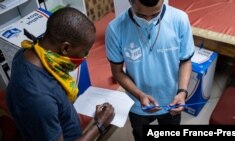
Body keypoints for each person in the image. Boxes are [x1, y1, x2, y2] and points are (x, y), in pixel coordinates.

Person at [7, 7, 115, 141]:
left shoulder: (27, 52)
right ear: (65, 48)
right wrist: (100, 124)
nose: (85, 57)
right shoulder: (39, 99)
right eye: (85, 52)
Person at [105, 0, 195, 140]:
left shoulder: (180, 19)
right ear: (130, 2)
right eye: (140, 14)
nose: (148, 20)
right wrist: (140, 95)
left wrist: (182, 91)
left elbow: (185, 61)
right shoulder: (115, 28)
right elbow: (117, 72)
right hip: (138, 104)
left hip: (172, 101)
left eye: (155, 14)